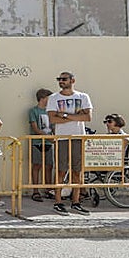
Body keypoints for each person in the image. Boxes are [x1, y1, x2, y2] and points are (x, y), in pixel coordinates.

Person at [47, 71, 92, 216]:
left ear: (72, 80)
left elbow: (87, 117)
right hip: (62, 138)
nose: (61, 81)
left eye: (64, 79)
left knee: (77, 171)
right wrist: (76, 117)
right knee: (60, 170)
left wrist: (65, 115)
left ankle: (76, 201)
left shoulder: (83, 96)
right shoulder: (54, 98)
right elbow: (53, 119)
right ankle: (58, 202)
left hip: (78, 136)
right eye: (59, 79)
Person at [28, 88, 55, 203]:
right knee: (36, 166)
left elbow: (53, 125)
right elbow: (35, 127)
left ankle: (48, 189)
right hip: (37, 142)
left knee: (49, 166)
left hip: (49, 141)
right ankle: (35, 191)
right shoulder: (33, 111)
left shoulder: (50, 111)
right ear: (43, 98)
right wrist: (44, 135)